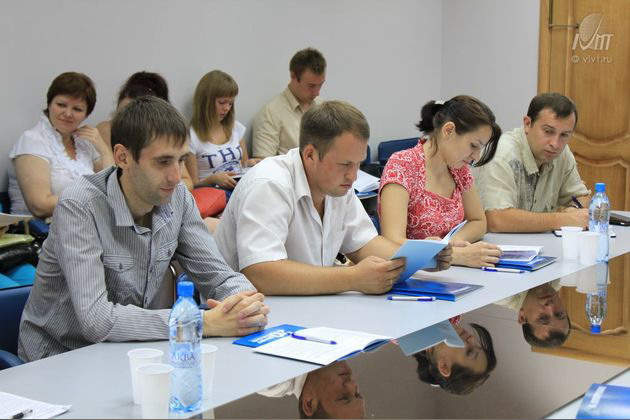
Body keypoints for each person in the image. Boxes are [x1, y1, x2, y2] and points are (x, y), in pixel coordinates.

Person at [18, 96, 269, 362]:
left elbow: (219, 276)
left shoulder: (178, 197)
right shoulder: (80, 205)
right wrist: (200, 322)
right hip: (59, 357)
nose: (176, 176)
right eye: (163, 162)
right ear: (123, 157)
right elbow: (96, 320)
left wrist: (246, 304)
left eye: (181, 160)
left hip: (132, 351)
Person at [215, 100, 452, 296]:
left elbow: (364, 245)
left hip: (304, 308)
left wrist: (420, 258)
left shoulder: (337, 184)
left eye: (358, 163)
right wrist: (352, 277)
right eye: (345, 164)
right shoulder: (269, 183)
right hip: (249, 318)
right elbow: (260, 273)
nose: (353, 175)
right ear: (310, 155)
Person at [379, 96, 503, 268]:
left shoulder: (459, 169)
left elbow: (478, 221)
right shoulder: (402, 165)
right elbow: (391, 241)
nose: (476, 156)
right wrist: (455, 255)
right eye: (473, 145)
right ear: (448, 131)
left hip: (448, 271)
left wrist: (451, 243)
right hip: (413, 274)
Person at [473, 93, 590, 232]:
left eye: (564, 135)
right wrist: (564, 219)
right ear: (527, 124)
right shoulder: (502, 155)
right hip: (492, 243)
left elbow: (582, 197)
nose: (555, 143)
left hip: (539, 243)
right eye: (548, 131)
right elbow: (496, 219)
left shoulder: (562, 153)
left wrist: (574, 209)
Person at [8, 72, 114, 218]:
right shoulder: (33, 140)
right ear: (49, 104)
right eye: (61, 105)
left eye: (77, 109)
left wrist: (103, 148)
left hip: (84, 224)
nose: (68, 114)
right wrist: (95, 198)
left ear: (86, 114)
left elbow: (114, 188)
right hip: (38, 229)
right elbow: (40, 206)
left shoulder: (84, 142)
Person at [96, 71, 193, 190]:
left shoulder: (163, 138)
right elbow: (108, 176)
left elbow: (187, 181)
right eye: (122, 112)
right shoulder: (106, 130)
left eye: (136, 115)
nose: (127, 120)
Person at [185, 70, 259, 191]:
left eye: (231, 103)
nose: (227, 108)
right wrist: (213, 179)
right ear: (206, 101)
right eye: (222, 102)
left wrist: (250, 164)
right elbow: (192, 184)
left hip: (240, 188)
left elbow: (243, 165)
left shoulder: (235, 127)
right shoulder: (191, 136)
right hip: (213, 194)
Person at [252, 47, 326, 158]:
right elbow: (263, 162)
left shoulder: (322, 106)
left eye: (321, 85)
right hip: (292, 169)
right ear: (293, 76)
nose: (317, 92)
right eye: (311, 86)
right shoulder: (271, 113)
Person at [258, 361, 365, 419]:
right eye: (357, 394)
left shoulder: (268, 379)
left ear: (309, 403)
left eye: (343, 397)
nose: (351, 383)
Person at [414, 322, 496, 395]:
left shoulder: (408, 331)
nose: (471, 338)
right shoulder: (452, 315)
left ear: (444, 366)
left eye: (469, 351)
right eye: (478, 345)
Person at [494, 281, 570, 348]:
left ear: (522, 317)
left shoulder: (499, 292)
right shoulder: (561, 279)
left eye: (542, 318)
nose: (550, 306)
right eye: (559, 314)